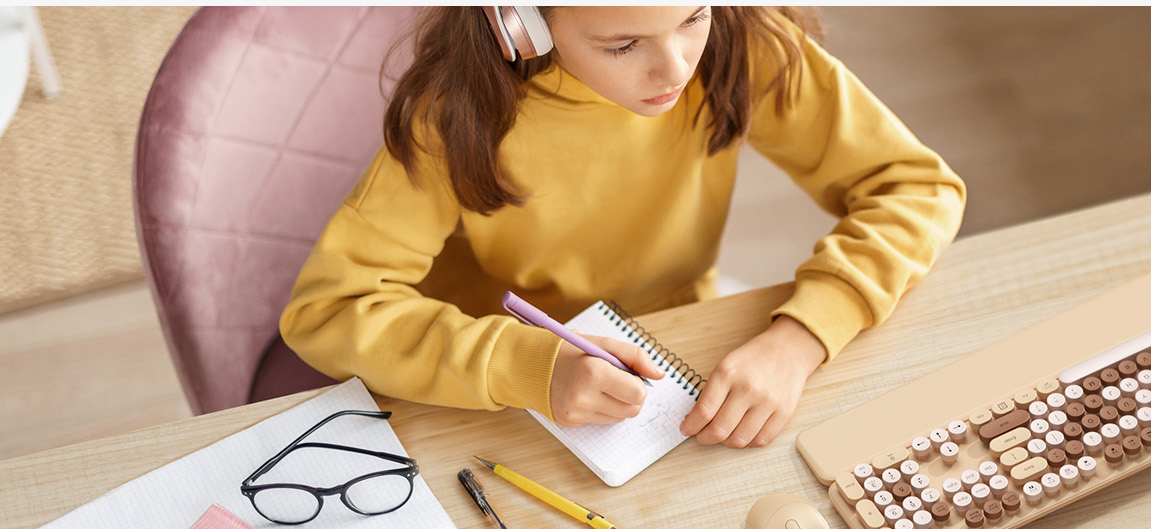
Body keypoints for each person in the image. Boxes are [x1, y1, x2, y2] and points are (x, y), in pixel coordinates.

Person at [280, 6, 965, 449]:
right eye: (622, 44)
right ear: (522, 24)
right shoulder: (454, 118)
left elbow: (916, 188)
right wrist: (528, 366)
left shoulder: (740, 37)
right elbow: (329, 312)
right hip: (506, 387)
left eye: (692, 16)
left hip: (677, 344)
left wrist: (801, 338)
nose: (674, 68)